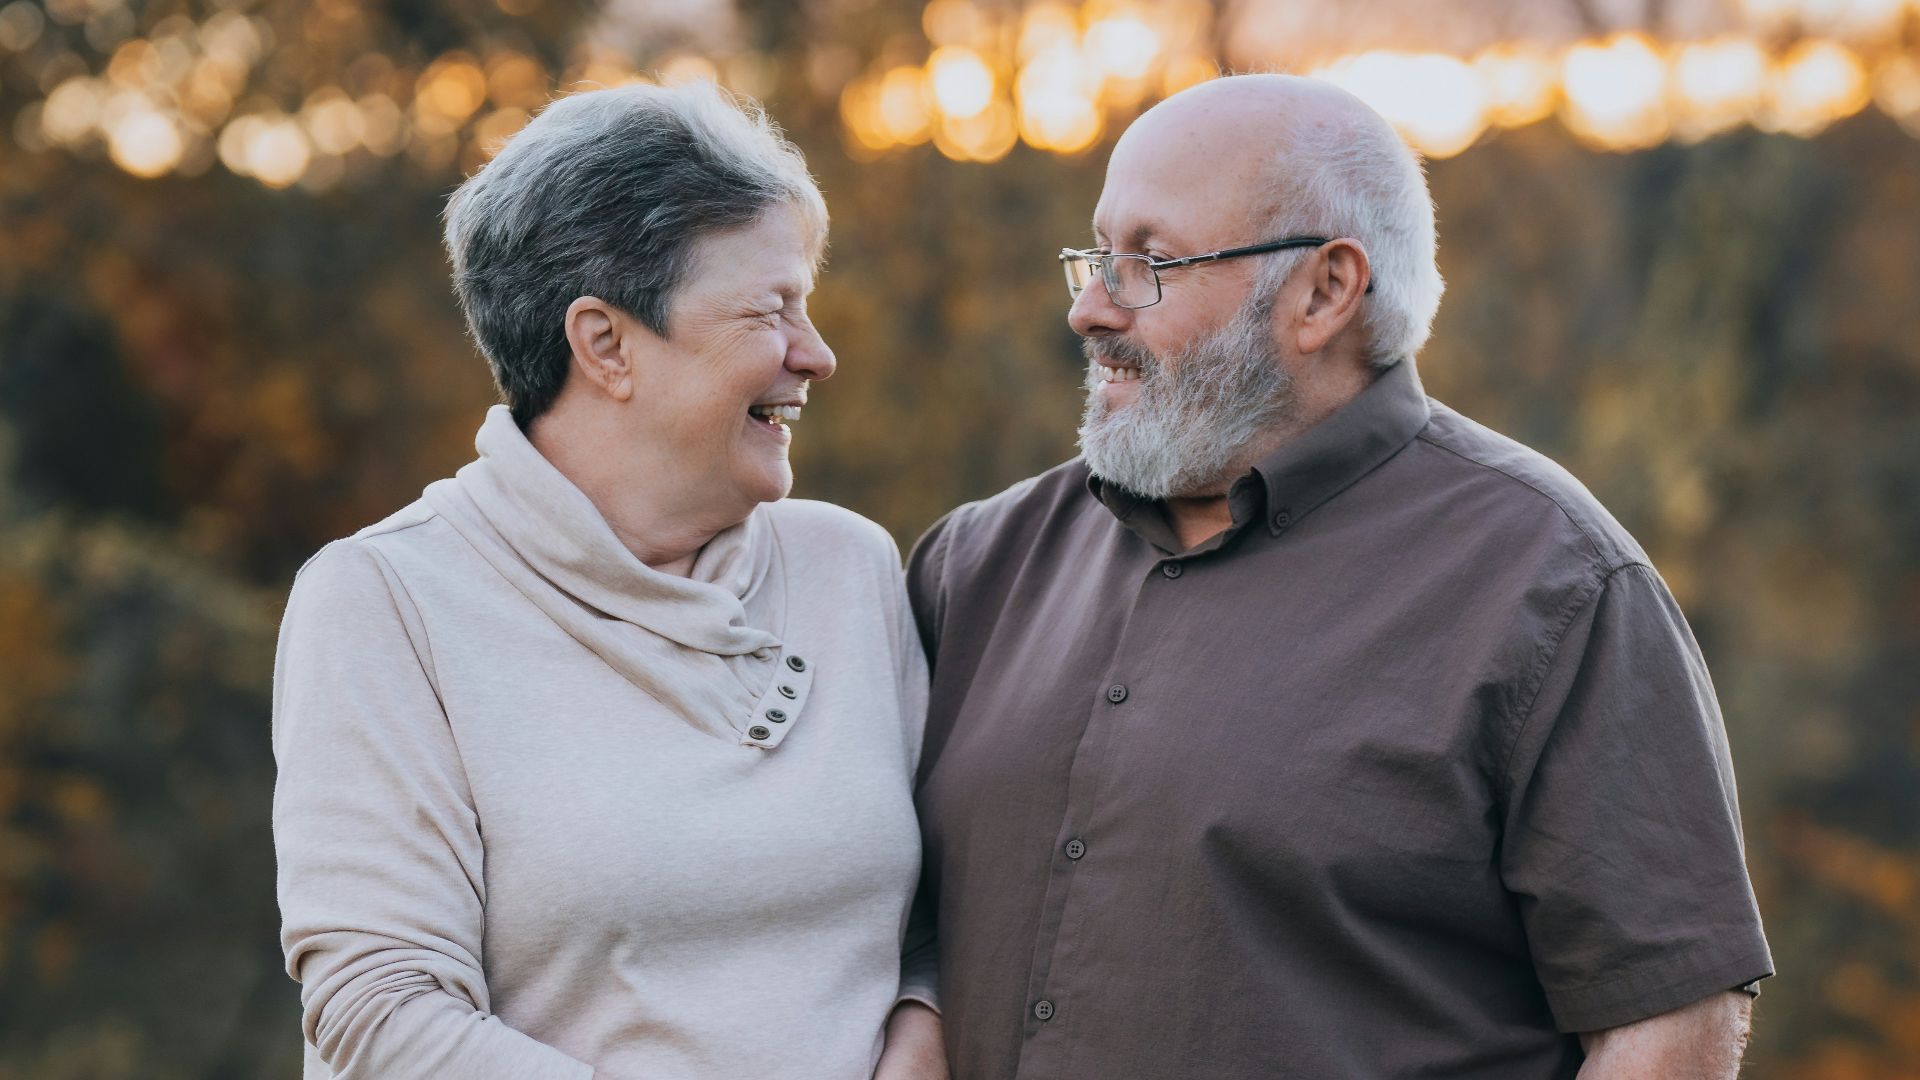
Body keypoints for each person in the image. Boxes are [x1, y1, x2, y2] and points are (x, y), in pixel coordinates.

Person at [907, 74, 1772, 1078]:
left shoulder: (1555, 584)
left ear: (1324, 291)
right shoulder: (977, 564)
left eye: (1149, 261)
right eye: (1097, 256)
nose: (1092, 308)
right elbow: (885, 912)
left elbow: (1665, 1027)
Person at [272, 82, 944, 1080]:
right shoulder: (387, 600)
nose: (818, 355)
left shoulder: (848, 565)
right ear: (606, 344)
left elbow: (941, 920)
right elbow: (379, 1007)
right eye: (771, 309)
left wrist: (924, 1034)